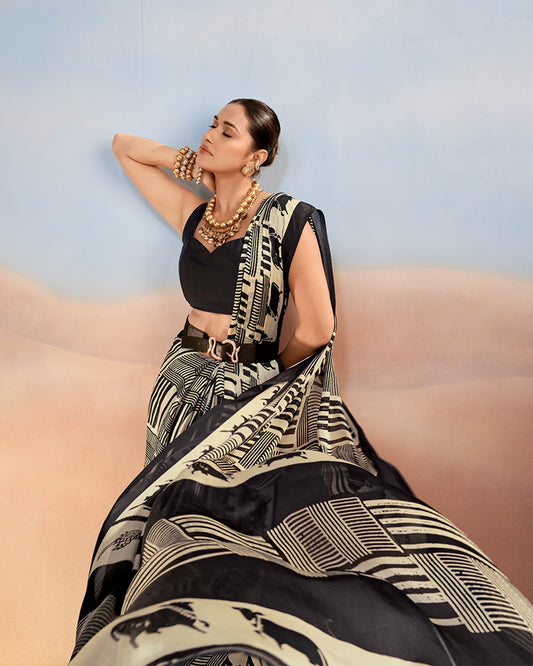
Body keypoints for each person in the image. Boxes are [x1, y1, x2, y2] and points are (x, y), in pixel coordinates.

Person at [69, 99, 533, 666]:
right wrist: (192, 162)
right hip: (179, 387)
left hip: (248, 395)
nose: (210, 134)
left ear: (257, 157)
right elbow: (124, 147)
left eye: (227, 131)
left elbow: (316, 328)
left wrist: (261, 377)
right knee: (166, 522)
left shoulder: (291, 219)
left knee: (232, 529)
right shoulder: (195, 217)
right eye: (212, 125)